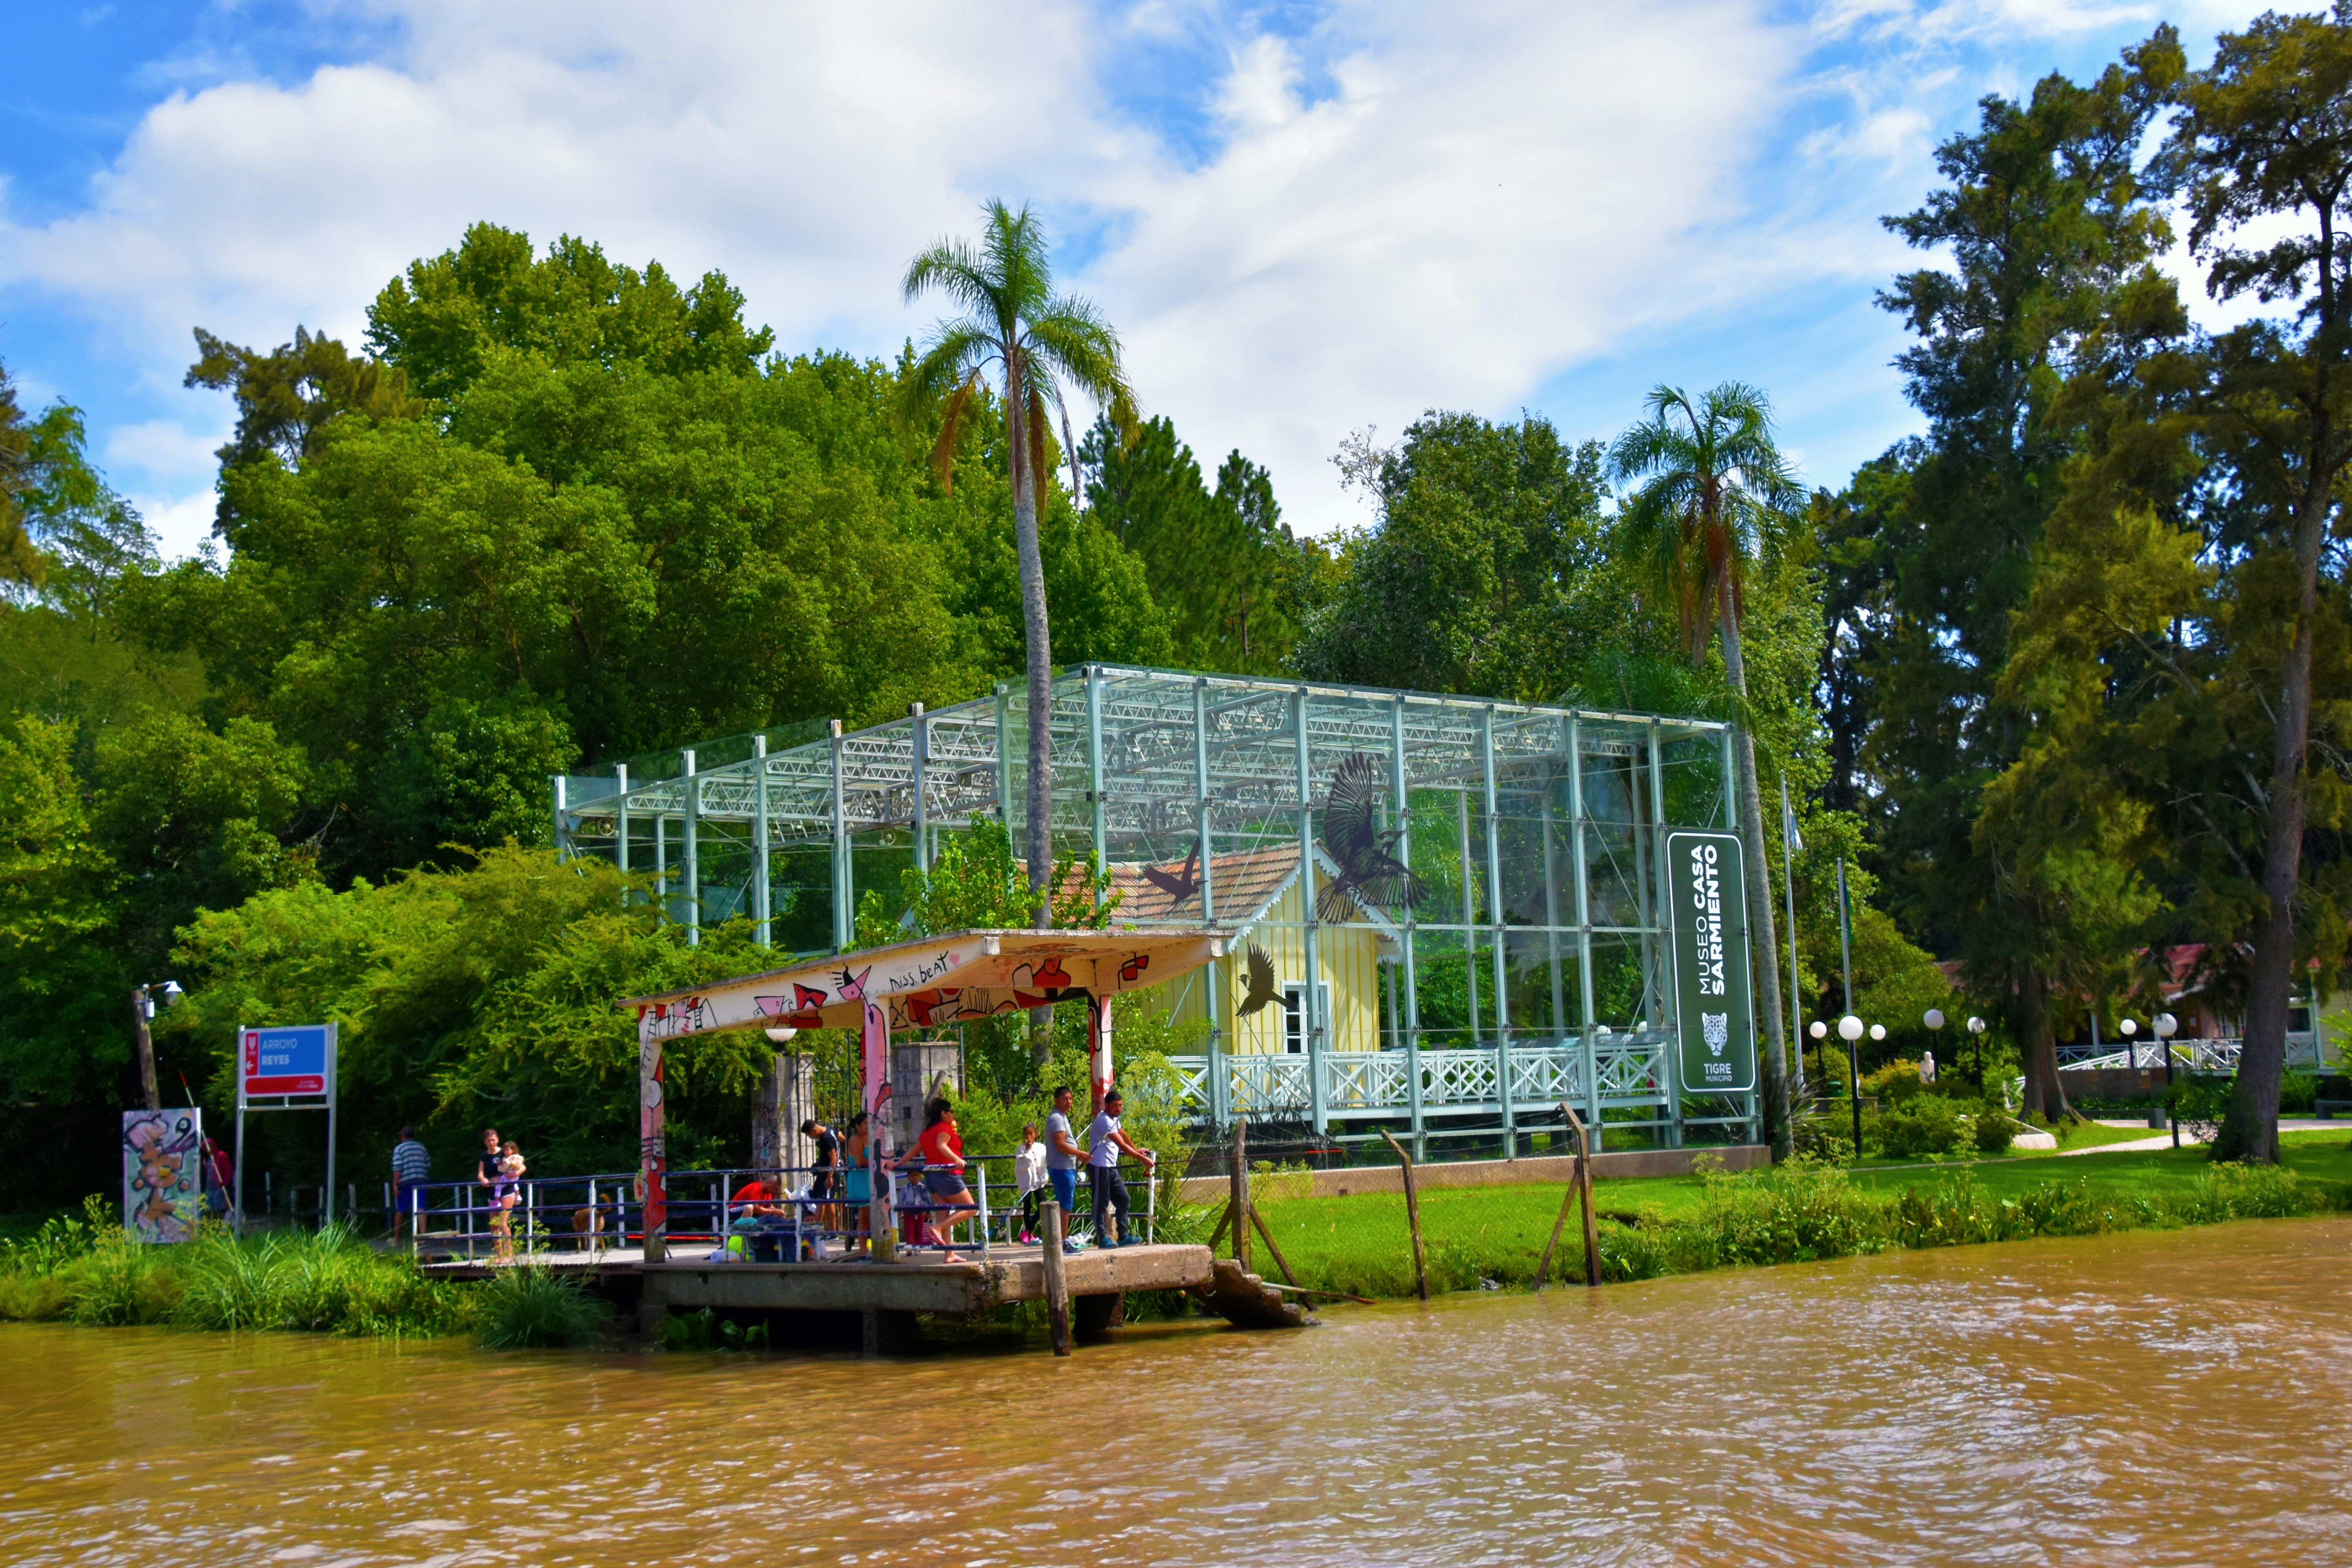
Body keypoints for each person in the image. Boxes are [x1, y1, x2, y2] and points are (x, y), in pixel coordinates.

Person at [900, 1098, 976, 1262]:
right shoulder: (944, 1127)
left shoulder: (927, 1131)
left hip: (931, 1176)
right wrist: (957, 1160)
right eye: (951, 1112)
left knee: (944, 1213)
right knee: (971, 1208)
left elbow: (914, 1150)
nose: (953, 1115)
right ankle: (936, 1228)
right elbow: (942, 1145)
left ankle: (949, 1254)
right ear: (944, 1114)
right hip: (946, 1175)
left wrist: (897, 1163)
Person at [1087, 1089, 1157, 1249]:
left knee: (1124, 1199)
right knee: (1101, 1203)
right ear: (1106, 1105)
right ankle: (1103, 1237)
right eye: (1115, 1106)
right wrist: (1144, 1160)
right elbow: (1121, 1145)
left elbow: (1123, 1134)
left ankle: (1123, 1235)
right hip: (1100, 1167)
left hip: (1111, 1167)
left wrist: (1137, 1149)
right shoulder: (1104, 1120)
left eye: (1120, 1105)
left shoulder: (1114, 1119)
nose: (1119, 1109)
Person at [1044, 1086, 1085, 1253]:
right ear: (1056, 1101)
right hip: (1062, 1168)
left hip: (1065, 1167)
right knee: (1065, 1206)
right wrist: (1081, 1154)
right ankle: (1063, 1242)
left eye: (1070, 1099)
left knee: (1064, 1205)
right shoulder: (1057, 1119)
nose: (1069, 1102)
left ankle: (1061, 1240)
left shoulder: (1062, 1117)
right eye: (1065, 1099)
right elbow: (1061, 1145)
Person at [488, 1139, 526, 1261]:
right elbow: (481, 1173)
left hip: (508, 1191)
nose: (491, 1143)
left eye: (493, 1140)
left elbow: (523, 1166)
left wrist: (515, 1174)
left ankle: (510, 1254)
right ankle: (500, 1256)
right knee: (495, 1224)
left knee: (503, 1221)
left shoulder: (508, 1156)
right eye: (488, 1141)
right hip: (495, 1190)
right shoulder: (486, 1156)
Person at [802, 1118, 842, 1233]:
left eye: (810, 1136)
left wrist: (830, 1177)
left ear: (814, 1130)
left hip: (829, 1172)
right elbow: (842, 1137)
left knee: (828, 1201)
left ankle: (832, 1231)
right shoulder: (830, 1129)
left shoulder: (825, 1139)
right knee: (821, 1200)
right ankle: (817, 1229)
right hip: (825, 1171)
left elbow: (834, 1158)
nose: (812, 1138)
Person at [390, 1126, 430, 1239]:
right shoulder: (422, 1148)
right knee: (421, 1209)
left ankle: (397, 1238)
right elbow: (428, 1165)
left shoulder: (399, 1149)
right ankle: (423, 1238)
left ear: (403, 1136)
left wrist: (395, 1185)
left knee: (400, 1209)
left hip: (405, 1183)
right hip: (421, 1181)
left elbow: (397, 1168)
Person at [842, 1111, 873, 1254]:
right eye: (866, 1123)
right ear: (858, 1126)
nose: (869, 1126)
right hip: (860, 1178)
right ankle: (862, 1250)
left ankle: (872, 1246)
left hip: (870, 1176)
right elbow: (860, 1161)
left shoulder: (872, 1138)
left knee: (873, 1215)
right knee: (864, 1215)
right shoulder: (855, 1140)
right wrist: (876, 1161)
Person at [1012, 1123, 1047, 1244]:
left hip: (1039, 1182)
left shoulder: (1042, 1147)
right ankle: (1029, 1234)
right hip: (1027, 1183)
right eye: (1026, 1134)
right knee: (1027, 1207)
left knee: (1043, 1205)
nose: (1029, 1136)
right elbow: (1022, 1166)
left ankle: (1028, 1230)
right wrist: (1027, 1150)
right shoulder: (1021, 1149)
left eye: (1031, 1134)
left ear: (1036, 1135)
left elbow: (1046, 1160)